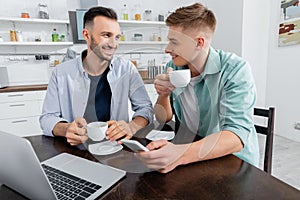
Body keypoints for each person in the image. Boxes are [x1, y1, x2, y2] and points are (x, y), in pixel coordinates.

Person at [136, 3, 259, 173]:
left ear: (199, 43)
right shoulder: (174, 67)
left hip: (233, 162)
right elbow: (163, 118)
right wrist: (163, 95)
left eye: (174, 42)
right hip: (195, 151)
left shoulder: (235, 69)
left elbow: (236, 136)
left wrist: (179, 154)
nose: (167, 49)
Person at [40, 6, 153, 146]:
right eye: (106, 35)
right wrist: (66, 129)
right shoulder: (61, 73)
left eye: (116, 37)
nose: (113, 44)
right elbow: (47, 118)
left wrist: (132, 126)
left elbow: (145, 108)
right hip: (76, 149)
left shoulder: (127, 69)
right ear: (87, 35)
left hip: (116, 147)